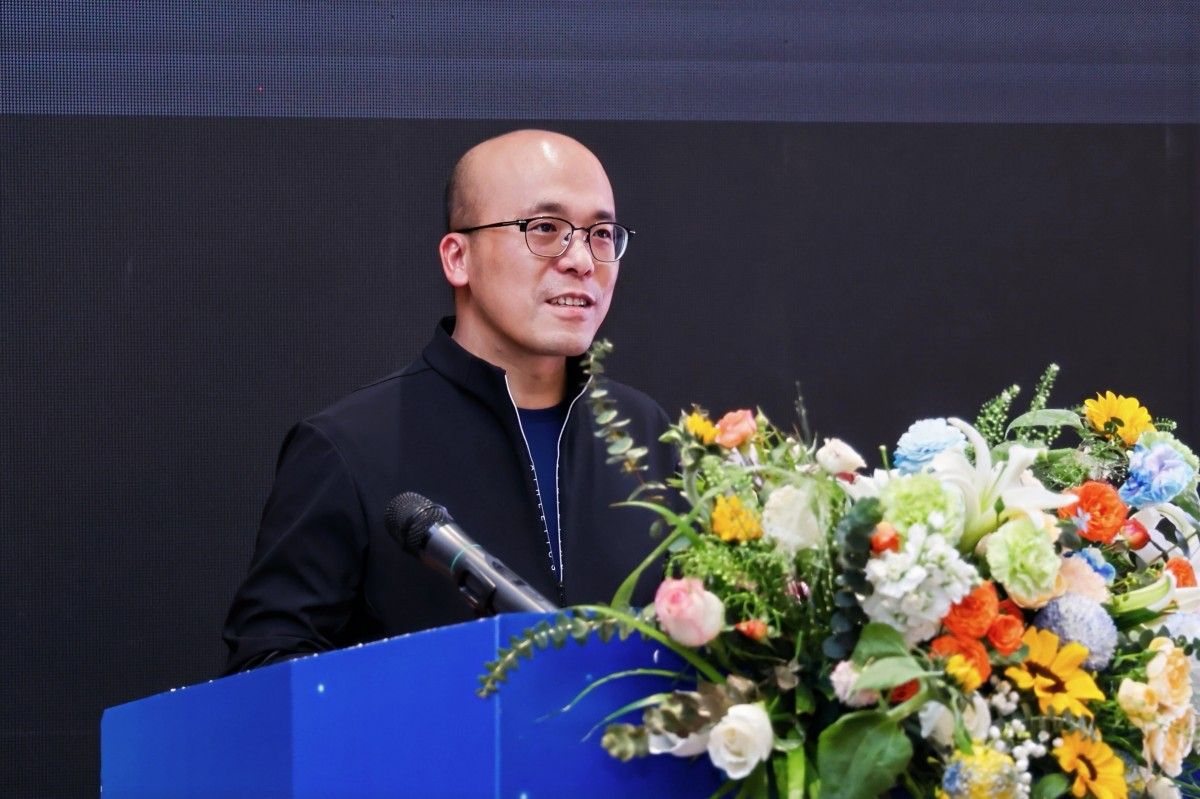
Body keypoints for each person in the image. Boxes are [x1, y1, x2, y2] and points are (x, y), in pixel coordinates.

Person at [222, 130, 677, 674]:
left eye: (601, 234)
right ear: (459, 258)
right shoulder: (347, 447)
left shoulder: (646, 434)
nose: (582, 260)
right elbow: (267, 669)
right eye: (545, 229)